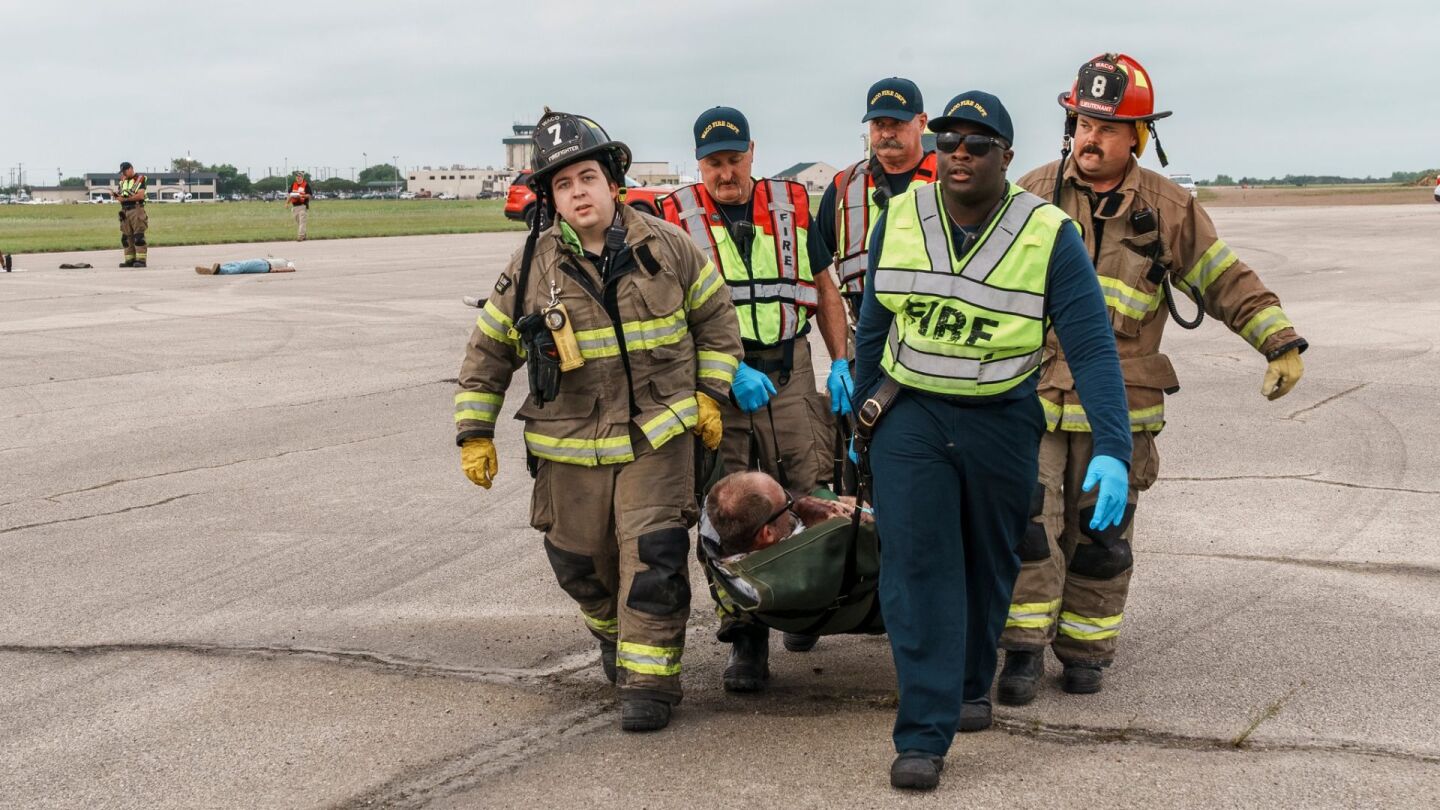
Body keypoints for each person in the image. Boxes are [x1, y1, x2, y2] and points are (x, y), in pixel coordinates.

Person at [998, 53, 1309, 705]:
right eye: (1082, 122)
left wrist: (1277, 342)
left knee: (1101, 540)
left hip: (1122, 409)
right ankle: (1021, 651)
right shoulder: (1029, 194)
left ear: (1137, 137)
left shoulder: (1168, 209)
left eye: (1108, 128)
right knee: (1028, 525)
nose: (1091, 137)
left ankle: (1085, 652)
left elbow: (1225, 279)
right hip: (1034, 399)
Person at [852, 91, 1132, 790]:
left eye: (978, 144)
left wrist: (1113, 448)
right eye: (948, 142)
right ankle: (923, 731)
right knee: (917, 567)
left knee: (990, 562)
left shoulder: (1047, 234)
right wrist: (861, 418)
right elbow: (872, 328)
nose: (960, 154)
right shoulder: (899, 219)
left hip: (1003, 418)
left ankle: (971, 681)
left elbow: (1093, 349)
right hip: (912, 415)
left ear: (1006, 156)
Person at [453, 110, 742, 732]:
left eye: (588, 176)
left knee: (654, 559)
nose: (578, 192)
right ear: (551, 197)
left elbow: (717, 322)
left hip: (657, 437)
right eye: (563, 184)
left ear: (614, 181)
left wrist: (710, 393)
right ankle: (614, 637)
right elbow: (488, 351)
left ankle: (650, 682)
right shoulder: (531, 266)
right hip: (568, 446)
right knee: (579, 563)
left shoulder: (670, 249)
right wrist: (474, 430)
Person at [661, 106, 852, 689]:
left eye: (735, 159)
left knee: (812, 490)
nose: (726, 172)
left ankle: (807, 607)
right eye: (714, 162)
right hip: (724, 381)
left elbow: (824, 287)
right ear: (700, 164)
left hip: (791, 372)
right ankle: (745, 640)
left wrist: (841, 361)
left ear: (753, 154)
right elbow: (670, 315)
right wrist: (724, 374)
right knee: (731, 512)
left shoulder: (793, 205)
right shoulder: (674, 218)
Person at [812, 78, 938, 322]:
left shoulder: (945, 181)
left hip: (928, 341)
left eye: (898, 123)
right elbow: (813, 266)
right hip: (863, 336)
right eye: (879, 124)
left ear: (921, 122)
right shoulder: (844, 186)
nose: (887, 133)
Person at [703, 470, 859, 560]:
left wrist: (801, 504)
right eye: (787, 503)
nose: (793, 503)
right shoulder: (805, 563)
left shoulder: (716, 524)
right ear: (767, 533)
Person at [113, 162, 148, 267]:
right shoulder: (122, 180)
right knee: (126, 237)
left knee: (139, 236)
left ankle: (141, 260)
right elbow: (120, 195)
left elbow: (141, 196)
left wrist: (125, 199)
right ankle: (130, 260)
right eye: (122, 171)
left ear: (131, 169)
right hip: (124, 210)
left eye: (124, 171)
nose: (123, 173)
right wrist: (116, 196)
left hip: (136, 209)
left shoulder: (140, 179)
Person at [287, 171, 313, 241]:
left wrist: (302, 196)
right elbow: (289, 194)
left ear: (302, 177)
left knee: (302, 222)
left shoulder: (306, 185)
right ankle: (304, 236)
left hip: (302, 206)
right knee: (299, 223)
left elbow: (309, 195)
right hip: (295, 207)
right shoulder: (293, 184)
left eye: (299, 176)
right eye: (297, 176)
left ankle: (300, 237)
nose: (298, 177)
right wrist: (287, 203)